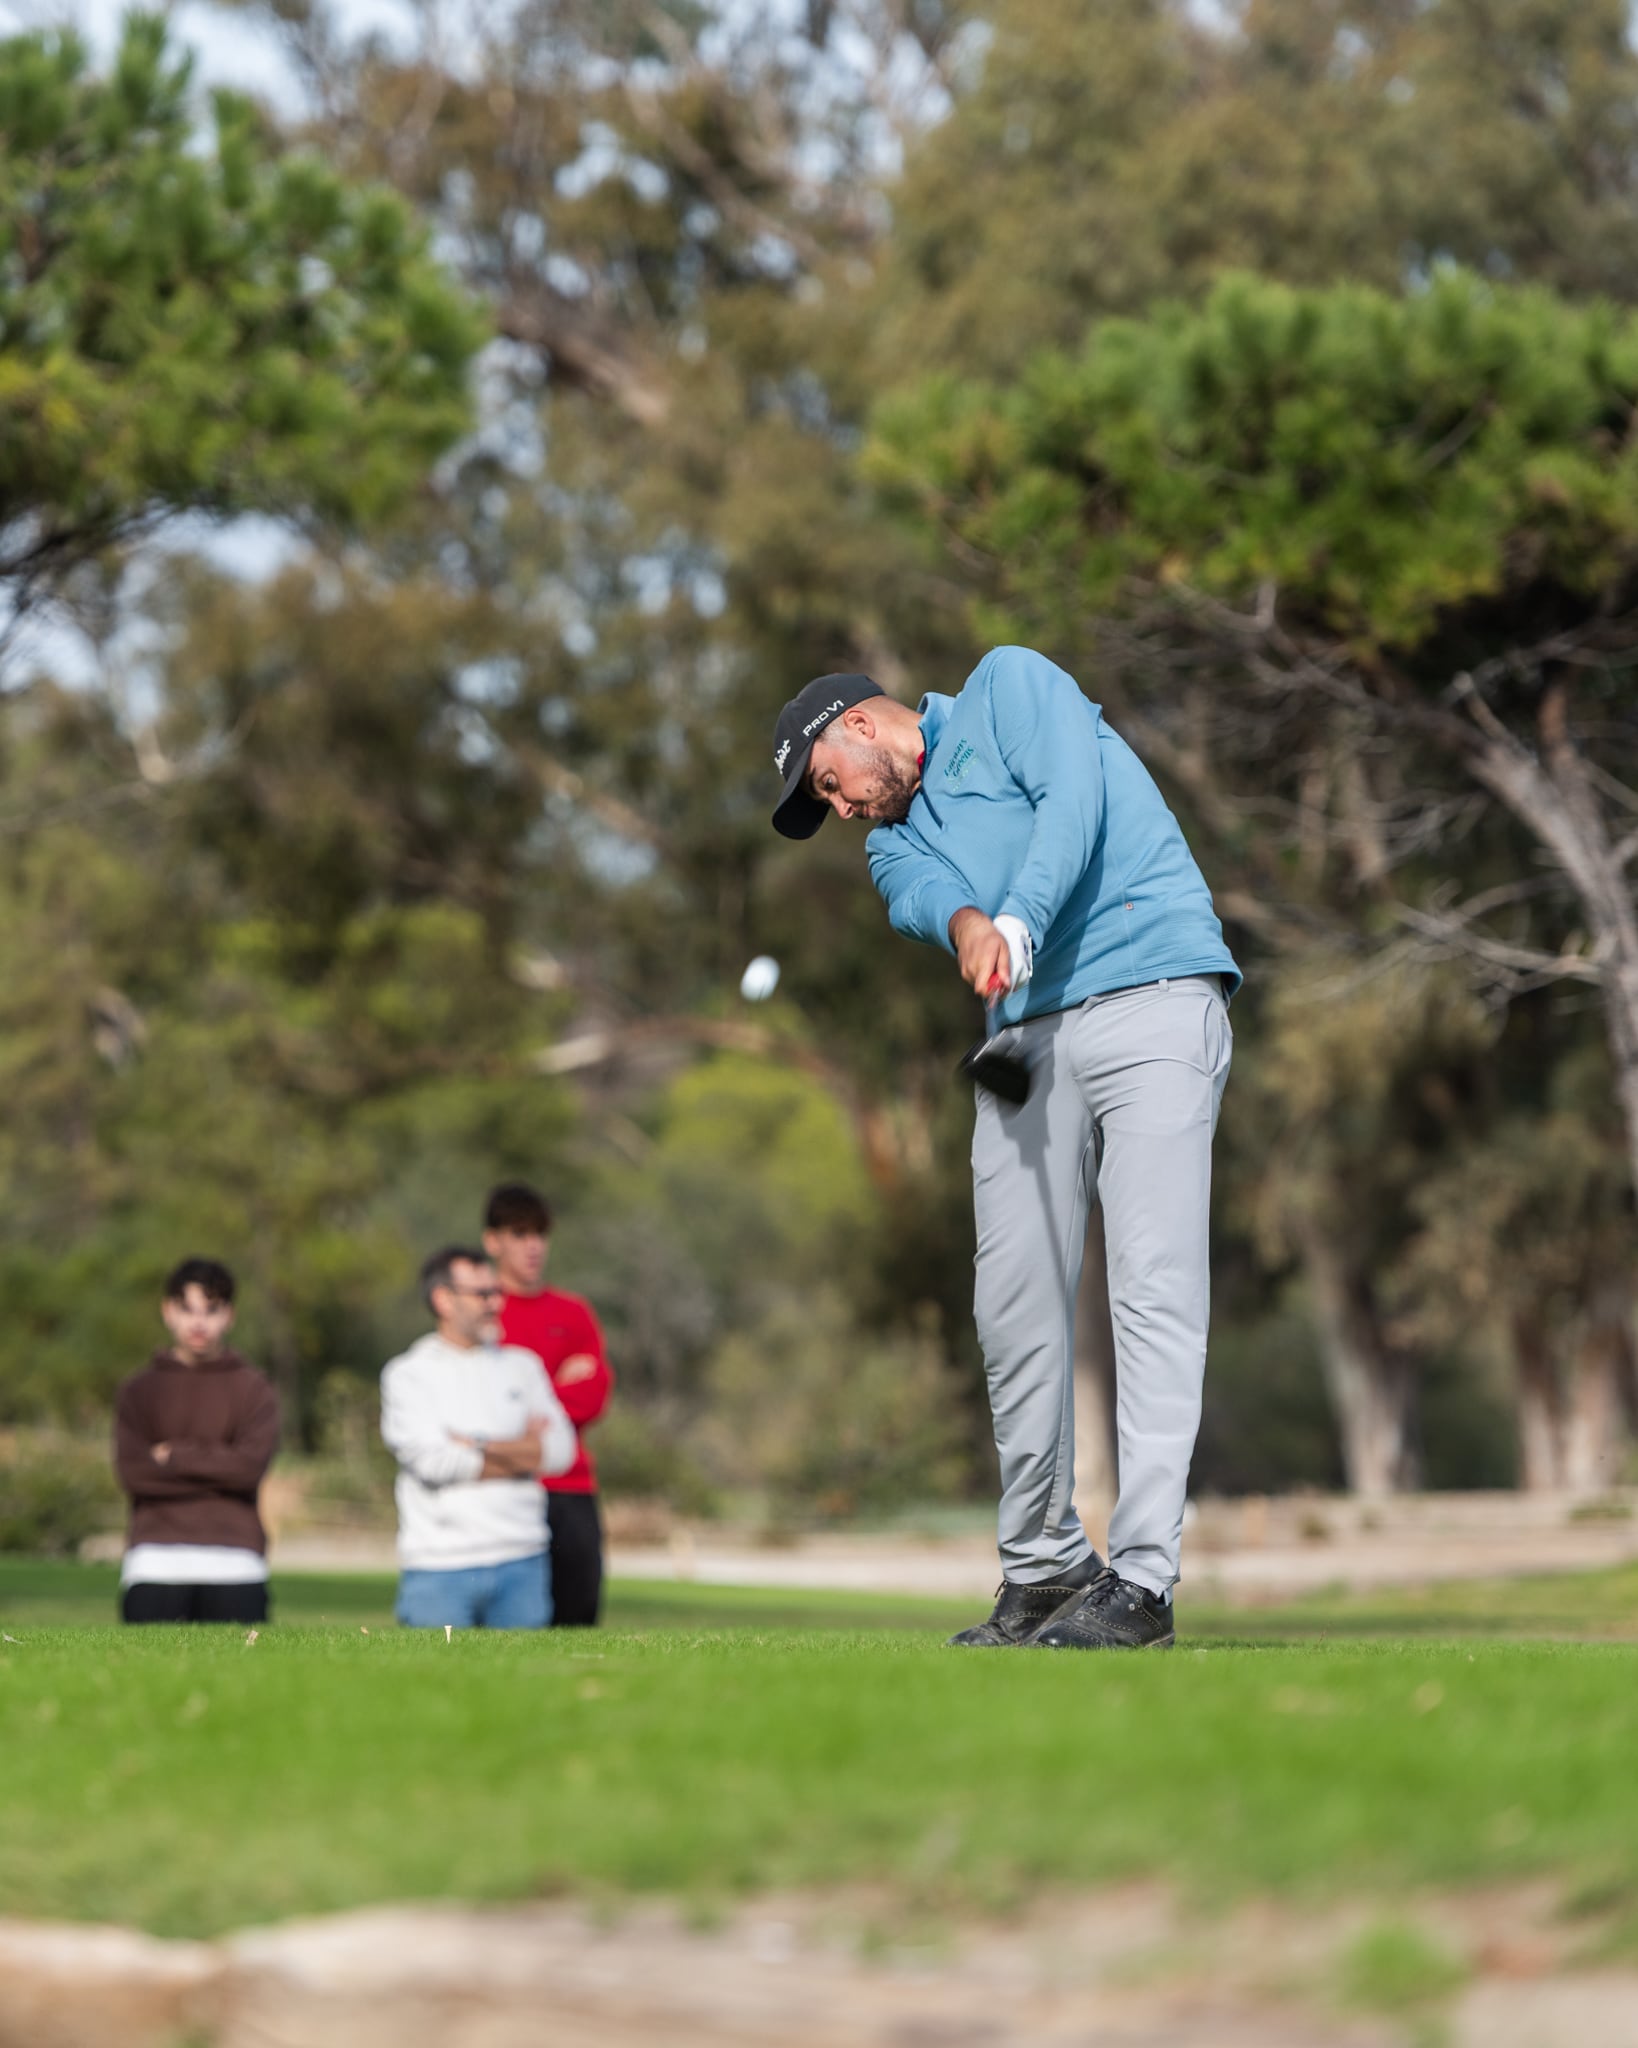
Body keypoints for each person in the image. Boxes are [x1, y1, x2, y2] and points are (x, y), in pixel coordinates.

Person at [770, 646, 1240, 1650]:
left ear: (859, 725)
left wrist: (1018, 919)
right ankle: (1043, 1564)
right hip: (1027, 1042)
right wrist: (973, 926)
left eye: (829, 784)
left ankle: (1144, 1580)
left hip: (1154, 991)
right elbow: (928, 899)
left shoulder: (1008, 687)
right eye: (826, 803)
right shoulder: (890, 845)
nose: (841, 810)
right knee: (1011, 1302)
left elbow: (1074, 801)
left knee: (1153, 1286)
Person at [380, 1245, 576, 1630]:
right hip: (439, 1567)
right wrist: (523, 1454)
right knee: (434, 1671)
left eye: (496, 1292)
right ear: (443, 1300)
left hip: (523, 1561)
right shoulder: (408, 1374)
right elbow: (433, 1462)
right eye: (482, 1294)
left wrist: (476, 1443)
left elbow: (560, 1452)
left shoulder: (523, 1367)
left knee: (528, 1671)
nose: (496, 1304)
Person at [112, 1258, 280, 1625]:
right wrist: (221, 1466)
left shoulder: (255, 1389)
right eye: (187, 1309)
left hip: (236, 1563)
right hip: (155, 1563)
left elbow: (248, 1470)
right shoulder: (139, 1390)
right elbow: (134, 1473)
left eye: (211, 1310)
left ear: (229, 1315)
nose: (198, 1322)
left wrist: (174, 1456)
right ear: (168, 1311)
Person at [483, 1182, 613, 1627]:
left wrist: (526, 1404)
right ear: (493, 1241)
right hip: (502, 1484)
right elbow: (478, 1404)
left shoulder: (573, 1313)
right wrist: (554, 1390)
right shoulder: (482, 1314)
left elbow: (593, 1397)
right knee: (503, 1630)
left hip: (570, 1487)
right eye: (520, 1234)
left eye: (540, 1234)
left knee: (577, 1618)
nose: (533, 1246)